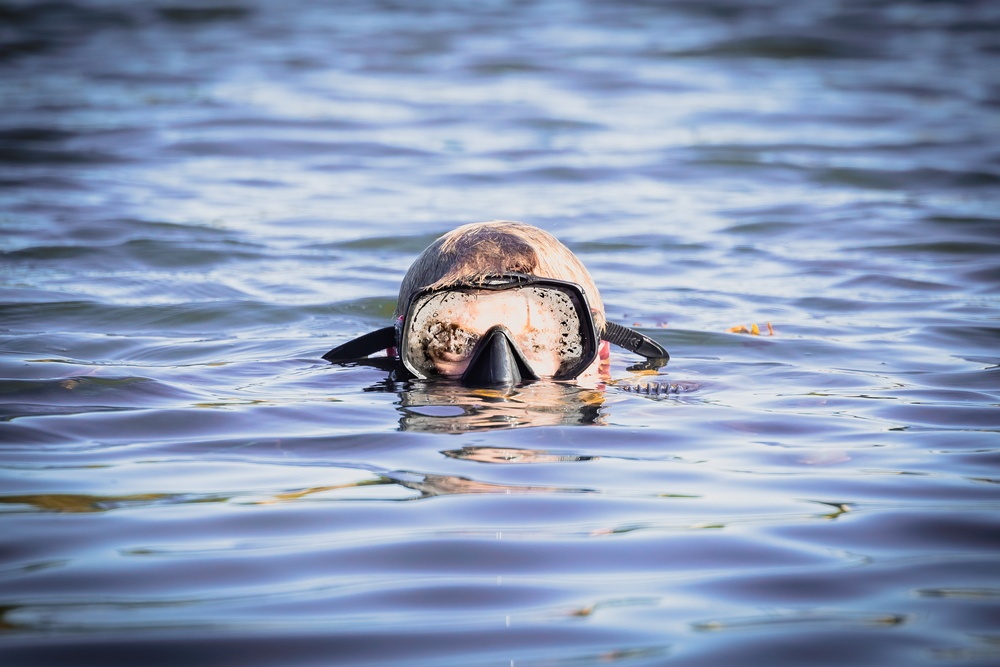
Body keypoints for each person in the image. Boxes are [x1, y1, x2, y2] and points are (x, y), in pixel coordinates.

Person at [323, 220, 668, 388]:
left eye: (539, 341)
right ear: (398, 352)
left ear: (599, 355)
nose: (500, 380)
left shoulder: (657, 401)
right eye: (453, 341)